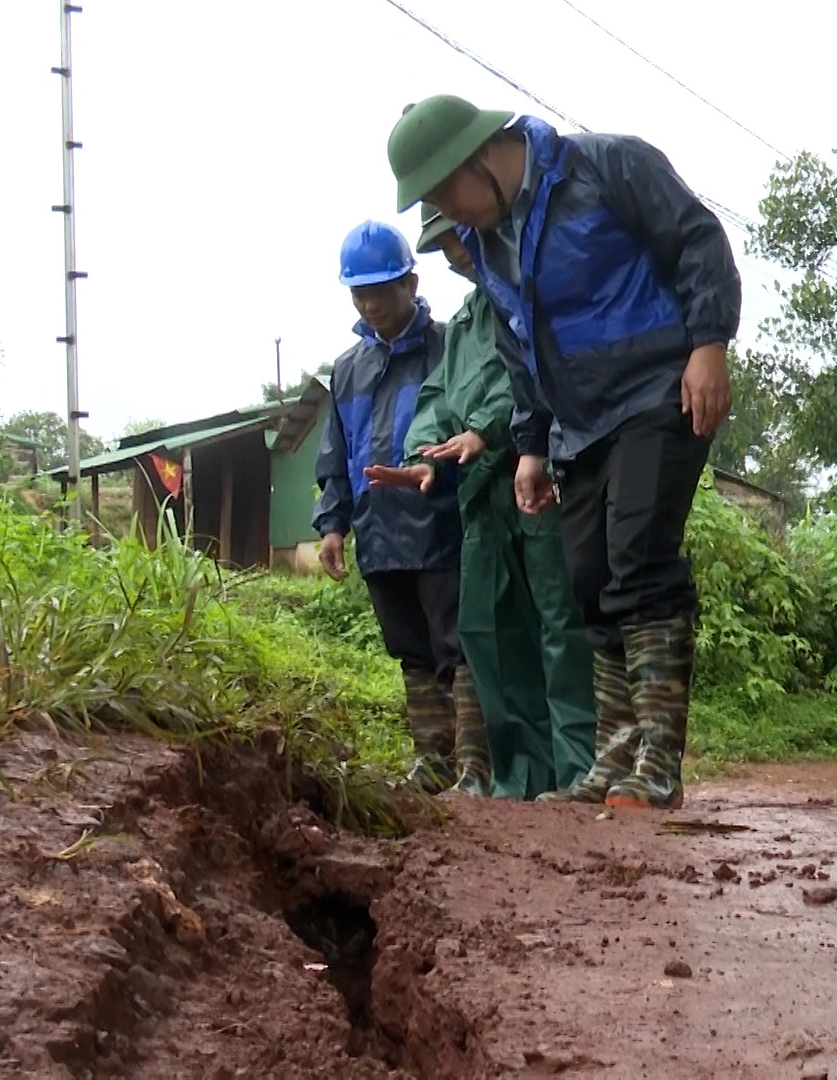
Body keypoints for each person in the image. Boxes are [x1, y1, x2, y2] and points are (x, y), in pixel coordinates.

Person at [384, 94, 740, 810]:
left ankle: (659, 762)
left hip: (656, 393)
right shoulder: (490, 246)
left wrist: (708, 344)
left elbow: (697, 240)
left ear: (480, 156)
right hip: (578, 427)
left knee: (639, 560)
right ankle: (612, 759)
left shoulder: (605, 166)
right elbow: (522, 349)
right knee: (589, 582)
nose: (449, 213)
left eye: (446, 192)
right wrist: (532, 446)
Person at [364, 206, 598, 801]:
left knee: (556, 623)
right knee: (490, 631)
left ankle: (575, 771)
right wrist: (426, 455)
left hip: (535, 476)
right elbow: (440, 394)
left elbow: (533, 379)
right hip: (478, 496)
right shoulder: (468, 319)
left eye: (459, 240)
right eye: (443, 246)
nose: (455, 255)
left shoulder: (530, 293)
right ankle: (513, 775)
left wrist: (491, 431)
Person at [312, 219, 486, 795]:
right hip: (378, 530)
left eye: (381, 289)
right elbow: (335, 452)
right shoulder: (346, 369)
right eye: (360, 292)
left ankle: (472, 767)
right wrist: (334, 524)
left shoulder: (446, 347)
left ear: (411, 283)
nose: (370, 302)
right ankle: (431, 761)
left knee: (454, 645)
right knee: (409, 649)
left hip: (440, 522)